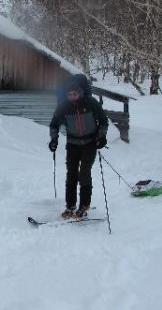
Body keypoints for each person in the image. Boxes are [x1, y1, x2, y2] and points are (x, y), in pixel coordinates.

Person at [49, 79, 108, 220]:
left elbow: (103, 120)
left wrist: (101, 136)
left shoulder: (90, 103)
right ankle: (70, 206)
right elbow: (54, 124)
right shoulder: (63, 106)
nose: (72, 97)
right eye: (69, 95)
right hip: (72, 145)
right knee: (71, 175)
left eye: (74, 94)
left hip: (90, 144)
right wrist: (54, 139)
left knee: (84, 173)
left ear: (80, 93)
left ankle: (84, 206)